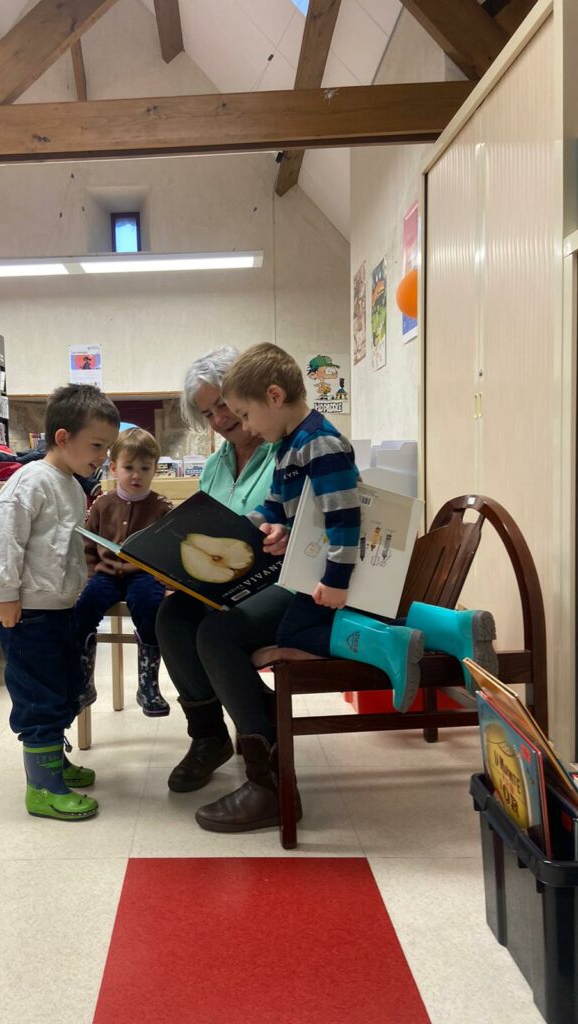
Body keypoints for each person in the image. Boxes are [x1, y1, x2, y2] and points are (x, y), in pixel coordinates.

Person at [188, 342, 497, 834]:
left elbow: (344, 517)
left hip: (332, 576)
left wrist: (334, 582)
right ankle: (451, 629)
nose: (245, 426)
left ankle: (389, 644)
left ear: (274, 396)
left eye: (246, 414)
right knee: (275, 629)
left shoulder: (319, 444)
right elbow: (275, 508)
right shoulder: (289, 446)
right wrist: (253, 529)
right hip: (317, 571)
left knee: (290, 632)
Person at [0, 384, 120, 822]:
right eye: (97, 445)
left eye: (107, 447)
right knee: (38, 694)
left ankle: (54, 762)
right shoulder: (30, 481)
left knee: (61, 687)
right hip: (28, 611)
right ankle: (42, 787)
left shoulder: (73, 486)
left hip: (60, 607)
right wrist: (4, 595)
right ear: (63, 437)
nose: (104, 456)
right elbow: (2, 540)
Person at [156, 346, 277, 795]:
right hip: (225, 586)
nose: (220, 419)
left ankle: (263, 752)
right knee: (172, 616)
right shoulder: (213, 466)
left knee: (216, 629)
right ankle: (209, 737)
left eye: (223, 404)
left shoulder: (283, 451)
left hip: (277, 584)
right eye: (208, 413)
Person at [76, 427, 174, 716]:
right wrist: (90, 574)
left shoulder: (161, 507)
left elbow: (169, 550)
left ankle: (148, 685)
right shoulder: (102, 503)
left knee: (149, 606)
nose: (136, 475)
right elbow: (88, 544)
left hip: (144, 574)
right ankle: (83, 682)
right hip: (105, 573)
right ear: (114, 468)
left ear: (155, 469)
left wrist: (163, 580)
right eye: (129, 467)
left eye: (145, 468)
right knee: (84, 607)